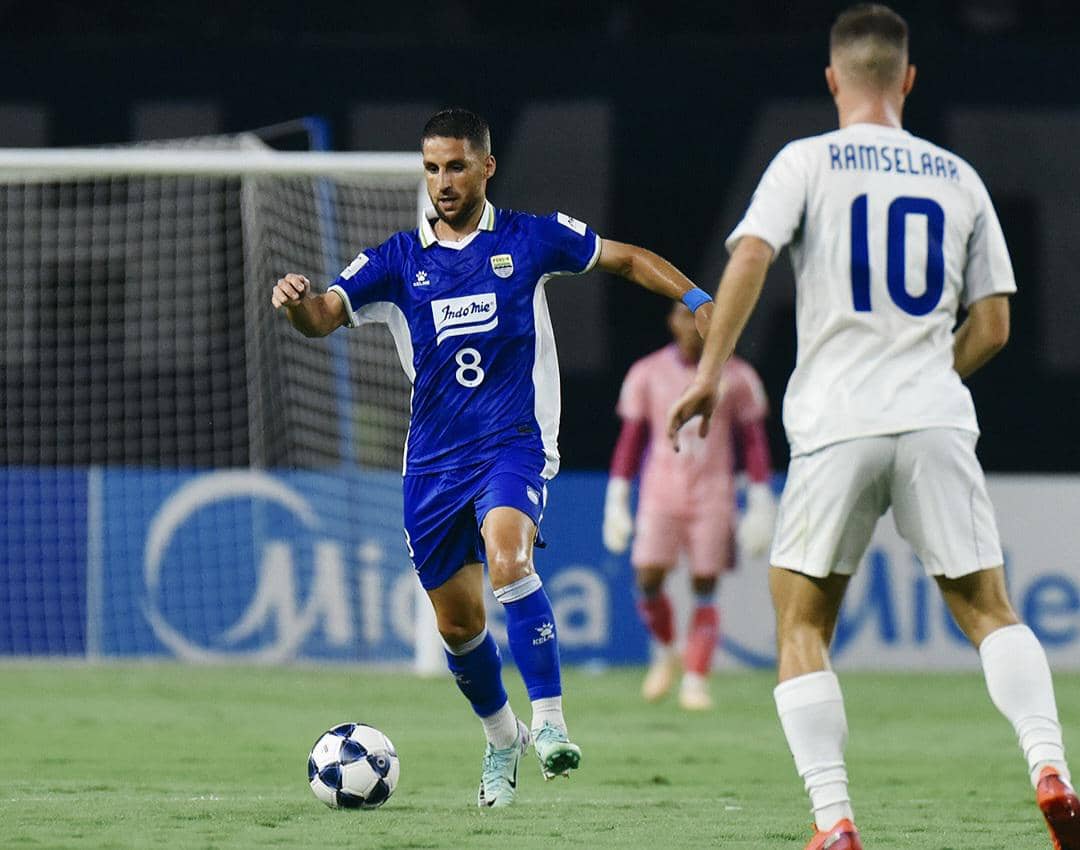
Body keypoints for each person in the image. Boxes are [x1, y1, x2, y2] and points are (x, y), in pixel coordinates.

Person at [666, 5, 1078, 849]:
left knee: (802, 625)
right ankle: (1051, 768)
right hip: (933, 418)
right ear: (908, 80)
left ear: (832, 80)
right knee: (991, 611)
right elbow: (994, 322)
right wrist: (925, 380)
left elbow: (750, 257)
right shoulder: (956, 176)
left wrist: (709, 373)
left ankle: (835, 821)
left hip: (837, 421)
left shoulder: (806, 161)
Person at [272, 108, 713, 809]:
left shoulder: (529, 239)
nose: (442, 182)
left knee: (510, 560)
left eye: (454, 166)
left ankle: (550, 726)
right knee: (458, 625)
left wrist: (698, 298)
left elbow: (625, 257)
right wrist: (296, 302)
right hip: (432, 467)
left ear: (486, 167)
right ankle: (501, 738)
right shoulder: (397, 260)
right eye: (431, 168)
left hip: (514, 445)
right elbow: (324, 315)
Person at [602, 301, 775, 710]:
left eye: (703, 318)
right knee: (647, 578)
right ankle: (666, 651)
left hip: (713, 490)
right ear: (672, 321)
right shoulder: (647, 373)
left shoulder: (737, 377)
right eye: (685, 316)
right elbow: (631, 439)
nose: (693, 326)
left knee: (705, 584)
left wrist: (760, 499)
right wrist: (617, 498)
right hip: (662, 488)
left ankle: (696, 678)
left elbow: (752, 441)